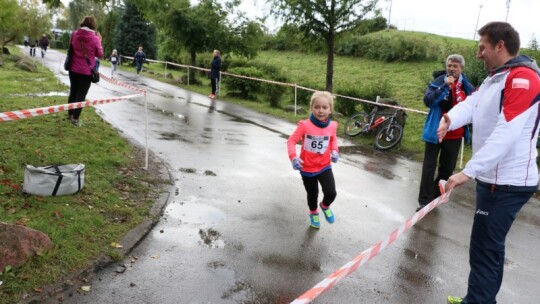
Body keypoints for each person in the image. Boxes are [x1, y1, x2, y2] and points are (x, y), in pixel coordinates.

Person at [440, 22, 540, 304]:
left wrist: (467, 172)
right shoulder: (496, 77)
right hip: (493, 180)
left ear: (500, 45)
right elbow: (472, 104)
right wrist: (451, 119)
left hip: (506, 183)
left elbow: (507, 131)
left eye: (482, 46)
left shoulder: (523, 78)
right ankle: (480, 298)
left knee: (483, 248)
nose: (478, 53)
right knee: (489, 248)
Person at [416, 54, 475, 212]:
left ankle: (435, 198)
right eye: (449, 65)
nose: (451, 68)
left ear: (461, 68)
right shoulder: (438, 82)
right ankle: (424, 201)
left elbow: (473, 105)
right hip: (436, 132)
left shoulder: (466, 86)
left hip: (455, 134)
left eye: (455, 66)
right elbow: (428, 101)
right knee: (429, 167)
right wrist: (444, 87)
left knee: (447, 169)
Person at [287, 91, 339, 229]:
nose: (320, 111)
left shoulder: (332, 125)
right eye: (317, 107)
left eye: (324, 107)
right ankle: (313, 212)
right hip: (307, 168)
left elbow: (333, 139)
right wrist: (293, 157)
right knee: (312, 194)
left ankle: (325, 206)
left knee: (331, 192)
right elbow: (291, 141)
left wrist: (334, 151)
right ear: (311, 108)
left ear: (330, 109)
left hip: (324, 166)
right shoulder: (305, 125)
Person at [66, 16, 103, 126]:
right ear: (93, 25)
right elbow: (100, 55)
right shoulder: (95, 38)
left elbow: (71, 48)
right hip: (86, 72)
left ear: (82, 23)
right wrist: (100, 41)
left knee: (73, 91)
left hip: (73, 69)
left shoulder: (74, 34)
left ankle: (70, 114)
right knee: (81, 95)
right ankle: (75, 119)